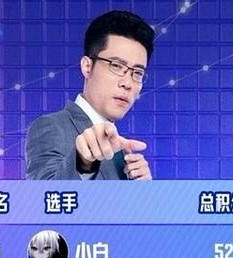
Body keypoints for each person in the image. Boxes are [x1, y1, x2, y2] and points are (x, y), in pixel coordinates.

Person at [25, 10, 154, 180]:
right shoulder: (52, 127)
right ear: (87, 66)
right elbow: (44, 194)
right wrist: (83, 163)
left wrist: (143, 192)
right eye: (116, 65)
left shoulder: (123, 154)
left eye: (137, 73)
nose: (127, 83)